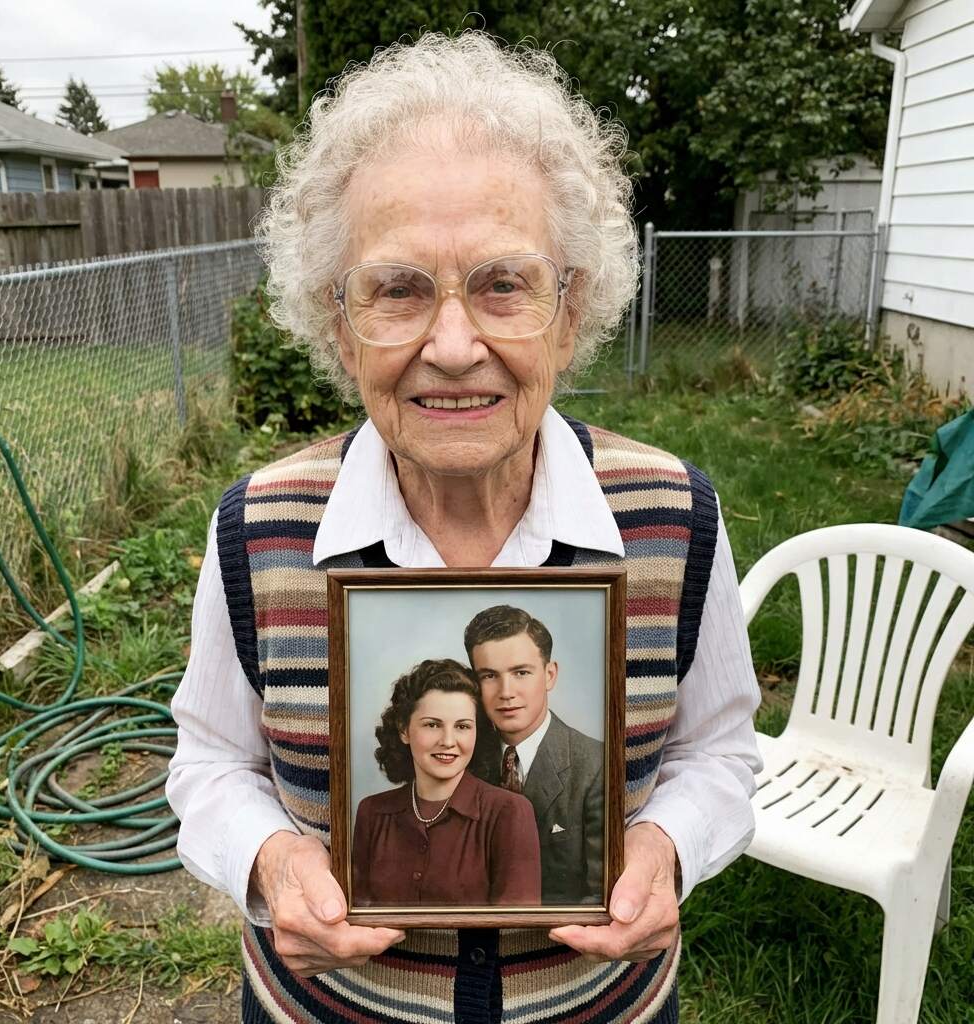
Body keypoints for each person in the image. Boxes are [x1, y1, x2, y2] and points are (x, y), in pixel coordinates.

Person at [166, 31, 763, 1024]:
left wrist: (666, 848)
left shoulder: (673, 519)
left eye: (502, 285)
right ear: (337, 318)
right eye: (397, 289)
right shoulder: (259, 530)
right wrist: (271, 864)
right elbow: (210, 762)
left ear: (569, 312)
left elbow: (718, 751)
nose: (452, 346)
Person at [352, 658, 541, 907]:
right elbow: (357, 918)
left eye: (462, 726)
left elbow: (516, 930)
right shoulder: (372, 812)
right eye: (432, 725)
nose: (448, 741)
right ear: (403, 730)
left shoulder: (509, 812)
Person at [464, 604, 603, 905]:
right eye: (489, 676)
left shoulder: (594, 765)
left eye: (521, 673)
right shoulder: (462, 759)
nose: (506, 692)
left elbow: (599, 899)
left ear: (550, 675)